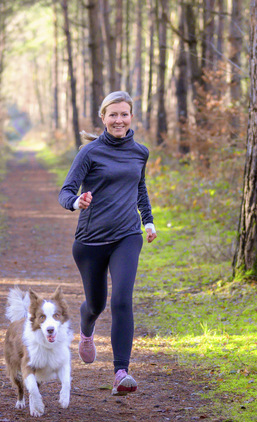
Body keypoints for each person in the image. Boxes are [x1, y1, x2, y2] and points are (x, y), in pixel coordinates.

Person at [58, 91, 157, 396]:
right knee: (97, 304)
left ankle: (120, 372)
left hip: (128, 236)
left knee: (122, 300)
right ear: (103, 118)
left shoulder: (140, 152)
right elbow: (65, 192)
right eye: (112, 115)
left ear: (131, 117)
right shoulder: (89, 153)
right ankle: (86, 331)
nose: (119, 120)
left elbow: (139, 187)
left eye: (124, 114)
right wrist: (77, 202)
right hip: (90, 241)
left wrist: (148, 221)